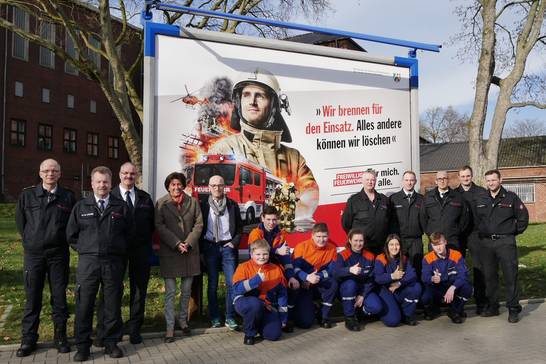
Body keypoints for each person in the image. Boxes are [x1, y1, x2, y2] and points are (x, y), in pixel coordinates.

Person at [209, 68, 319, 225]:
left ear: (274, 104)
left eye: (260, 95)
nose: (252, 101)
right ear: (239, 102)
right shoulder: (222, 149)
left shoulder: (294, 158)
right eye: (246, 94)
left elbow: (310, 197)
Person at [66, 166, 131, 361]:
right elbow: (71, 235)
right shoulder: (81, 206)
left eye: (105, 182)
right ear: (92, 184)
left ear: (111, 184)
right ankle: (83, 346)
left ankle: (110, 343)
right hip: (89, 264)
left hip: (113, 263)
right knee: (84, 304)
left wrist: (117, 250)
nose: (102, 185)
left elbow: (129, 233)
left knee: (111, 304)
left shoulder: (120, 207)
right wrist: (87, 249)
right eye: (98, 181)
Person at [15, 159, 76, 357]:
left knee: (59, 298)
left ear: (60, 174)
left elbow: (72, 225)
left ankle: (60, 337)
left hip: (58, 255)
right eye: (46, 170)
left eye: (54, 170)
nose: (50, 173)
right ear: (40, 173)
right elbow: (20, 223)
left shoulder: (68, 197)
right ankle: (28, 339)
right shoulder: (27, 195)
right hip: (34, 256)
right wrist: (31, 242)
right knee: (32, 298)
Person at [95, 162, 155, 346]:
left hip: (140, 251)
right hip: (115, 252)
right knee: (111, 291)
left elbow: (151, 225)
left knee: (138, 291)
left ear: (136, 175)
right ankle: (107, 330)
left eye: (132, 173)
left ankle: (135, 329)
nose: (129, 176)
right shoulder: (109, 196)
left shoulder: (145, 198)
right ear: (119, 175)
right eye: (125, 173)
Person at [475, 169, 529, 323]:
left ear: (500, 180)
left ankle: (513, 309)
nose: (491, 183)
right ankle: (493, 307)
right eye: (488, 180)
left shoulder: (511, 197)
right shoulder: (481, 198)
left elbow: (523, 218)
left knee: (510, 276)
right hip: (486, 244)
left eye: (493, 180)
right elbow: (476, 219)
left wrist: (512, 232)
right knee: (490, 277)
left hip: (505, 243)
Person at [155, 172, 203, 342]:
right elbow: (159, 226)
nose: (176, 187)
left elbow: (199, 224)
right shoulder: (161, 203)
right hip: (171, 253)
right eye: (172, 184)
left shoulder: (193, 202)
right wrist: (176, 243)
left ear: (184, 185)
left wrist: (188, 243)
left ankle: (183, 322)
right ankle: (169, 327)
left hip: (189, 253)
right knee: (170, 293)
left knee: (186, 292)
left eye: (179, 184)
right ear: (168, 186)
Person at [200, 175, 243, 330]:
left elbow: (239, 228)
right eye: (213, 185)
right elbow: (198, 227)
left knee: (232, 283)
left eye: (220, 185)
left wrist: (234, 243)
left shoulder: (232, 205)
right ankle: (215, 317)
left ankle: (230, 317)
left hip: (227, 248)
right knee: (212, 284)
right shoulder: (203, 205)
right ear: (209, 188)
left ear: (224, 187)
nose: (217, 188)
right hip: (210, 247)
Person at [248, 206, 299, 331]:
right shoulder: (255, 233)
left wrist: (291, 276)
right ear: (262, 218)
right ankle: (267, 321)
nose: (271, 223)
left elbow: (285, 256)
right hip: (258, 269)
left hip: (275, 268)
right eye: (269, 219)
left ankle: (286, 320)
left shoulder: (280, 234)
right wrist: (276, 251)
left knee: (291, 285)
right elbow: (258, 255)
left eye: (274, 219)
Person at [232, 239, 288, 345]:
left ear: (269, 254)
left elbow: (282, 295)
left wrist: (283, 318)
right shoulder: (243, 267)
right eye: (258, 254)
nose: (262, 257)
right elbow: (237, 289)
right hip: (244, 302)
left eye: (265, 254)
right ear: (251, 254)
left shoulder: (276, 269)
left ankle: (259, 326)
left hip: (266, 306)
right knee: (255, 304)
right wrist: (255, 280)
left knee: (274, 335)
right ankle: (249, 333)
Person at [292, 223, 338, 329]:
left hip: (318, 283)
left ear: (328, 236)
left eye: (324, 236)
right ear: (312, 235)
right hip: (303, 286)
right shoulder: (301, 247)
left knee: (333, 283)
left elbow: (330, 271)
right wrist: (306, 278)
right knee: (305, 323)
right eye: (318, 236)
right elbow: (295, 269)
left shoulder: (332, 249)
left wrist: (317, 277)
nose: (321, 240)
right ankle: (313, 308)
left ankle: (324, 316)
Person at [334, 229, 381, 331]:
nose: (358, 244)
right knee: (351, 284)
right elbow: (336, 272)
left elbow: (372, 278)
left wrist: (362, 295)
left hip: (363, 289)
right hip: (347, 289)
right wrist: (349, 270)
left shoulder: (370, 256)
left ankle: (359, 313)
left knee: (376, 307)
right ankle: (349, 318)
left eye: (361, 241)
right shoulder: (342, 255)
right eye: (355, 240)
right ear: (350, 240)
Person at [455, 165, 488, 313]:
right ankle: (458, 304)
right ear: (459, 177)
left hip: (476, 234)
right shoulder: (454, 194)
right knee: (458, 269)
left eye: (468, 176)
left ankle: (481, 302)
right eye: (462, 176)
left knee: (479, 268)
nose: (465, 178)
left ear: (472, 176)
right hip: (460, 235)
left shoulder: (481, 192)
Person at [421, 232, 473, 324]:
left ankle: (455, 310)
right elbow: (424, 276)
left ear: (445, 242)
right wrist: (432, 278)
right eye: (435, 245)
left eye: (440, 243)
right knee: (425, 296)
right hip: (437, 287)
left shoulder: (456, 255)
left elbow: (463, 275)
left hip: (452, 285)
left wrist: (453, 287)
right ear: (431, 246)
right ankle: (433, 309)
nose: (438, 247)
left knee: (468, 288)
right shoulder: (427, 258)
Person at [374, 234, 421, 327]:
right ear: (387, 246)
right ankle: (382, 312)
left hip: (398, 288)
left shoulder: (403, 258)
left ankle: (406, 315)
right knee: (393, 321)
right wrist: (392, 276)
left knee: (416, 287)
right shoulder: (380, 258)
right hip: (385, 290)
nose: (394, 247)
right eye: (391, 244)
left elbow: (412, 274)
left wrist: (399, 283)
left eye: (397, 244)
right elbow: (377, 278)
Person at [341, 170, 391, 255]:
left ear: (375, 181)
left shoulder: (384, 200)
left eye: (372, 180)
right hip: (362, 248)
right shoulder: (354, 201)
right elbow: (346, 224)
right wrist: (356, 239)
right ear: (362, 181)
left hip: (381, 247)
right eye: (367, 180)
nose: (370, 182)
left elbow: (389, 220)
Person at [419, 170, 470, 251]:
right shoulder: (428, 197)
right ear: (436, 181)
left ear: (448, 180)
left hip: (452, 240)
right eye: (439, 179)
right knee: (434, 263)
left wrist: (456, 231)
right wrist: (430, 232)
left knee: (452, 263)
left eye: (444, 178)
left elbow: (464, 218)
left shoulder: (458, 197)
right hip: (435, 240)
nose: (442, 181)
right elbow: (423, 217)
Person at [389, 170, 425, 277]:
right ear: (402, 181)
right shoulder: (394, 199)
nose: (409, 183)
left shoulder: (421, 199)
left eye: (411, 180)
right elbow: (389, 220)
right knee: (400, 267)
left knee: (417, 267)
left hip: (416, 240)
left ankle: (417, 290)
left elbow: (425, 218)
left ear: (415, 182)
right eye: (406, 180)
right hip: (399, 240)